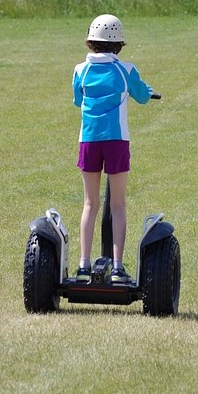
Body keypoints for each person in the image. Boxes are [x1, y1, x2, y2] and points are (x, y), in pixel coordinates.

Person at [72, 14, 153, 283]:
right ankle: (117, 268)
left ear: (90, 42)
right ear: (118, 44)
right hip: (116, 140)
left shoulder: (80, 70)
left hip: (89, 140)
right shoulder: (126, 69)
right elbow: (142, 95)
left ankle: (83, 266)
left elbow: (77, 100)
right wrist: (147, 90)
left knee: (90, 203)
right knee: (117, 204)